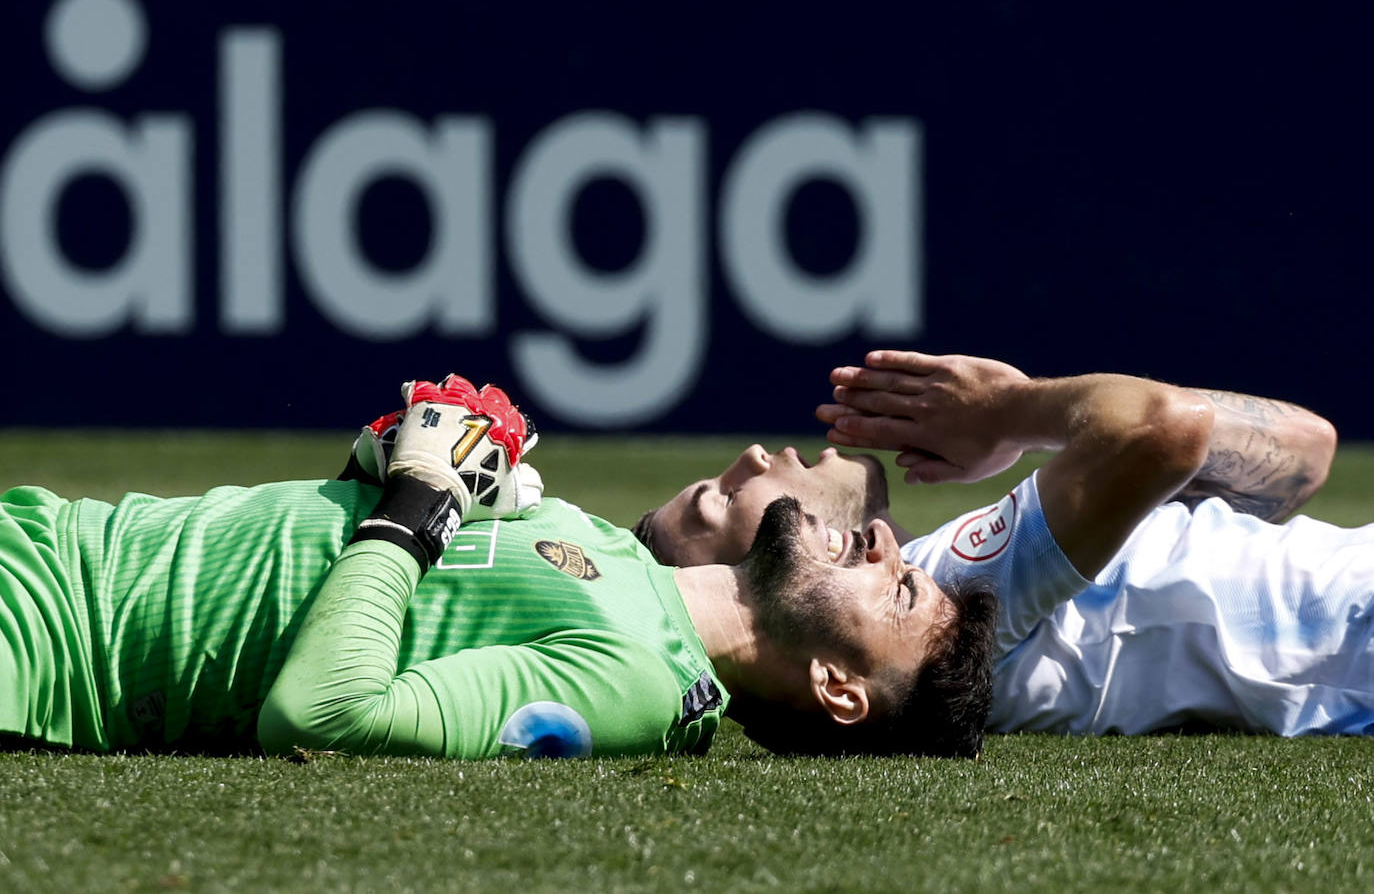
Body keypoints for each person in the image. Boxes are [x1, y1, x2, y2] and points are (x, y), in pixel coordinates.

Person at [0, 374, 998, 761]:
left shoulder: (637, 685)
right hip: (55, 536)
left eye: (898, 587)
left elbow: (326, 716)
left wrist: (419, 507)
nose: (880, 539)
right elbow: (327, 560)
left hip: (52, 638)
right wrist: (390, 463)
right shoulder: (620, 556)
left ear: (839, 689)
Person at [635, 351, 1373, 737]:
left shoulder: (922, 590)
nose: (754, 458)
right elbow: (1163, 428)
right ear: (744, 581)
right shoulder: (938, 601)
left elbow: (1304, 456)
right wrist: (1012, 414)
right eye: (722, 499)